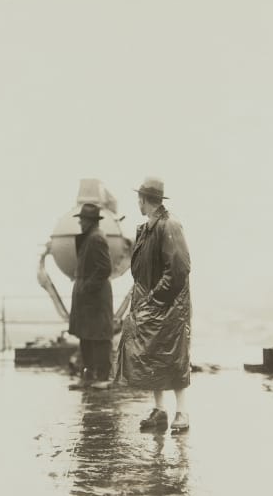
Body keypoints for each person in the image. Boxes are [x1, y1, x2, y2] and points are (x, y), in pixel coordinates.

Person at [113, 177, 192, 433]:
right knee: (151, 355)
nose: (137, 203)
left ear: (143, 200)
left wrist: (155, 298)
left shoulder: (169, 225)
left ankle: (182, 412)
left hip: (169, 305)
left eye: (139, 198)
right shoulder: (148, 228)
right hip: (151, 301)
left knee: (174, 356)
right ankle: (159, 410)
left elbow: (179, 269)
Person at [67, 202, 114, 387]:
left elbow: (105, 268)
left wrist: (87, 287)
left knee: (99, 337)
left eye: (83, 219)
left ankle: (102, 378)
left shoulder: (96, 238)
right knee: (86, 336)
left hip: (95, 298)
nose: (80, 223)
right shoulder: (90, 237)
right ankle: (88, 376)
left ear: (91, 221)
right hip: (88, 298)